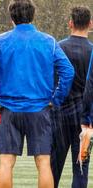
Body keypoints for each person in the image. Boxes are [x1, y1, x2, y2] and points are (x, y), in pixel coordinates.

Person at [0, 0, 75, 187]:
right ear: (33, 16)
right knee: (43, 162)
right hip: (39, 110)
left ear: (12, 18)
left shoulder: (0, 41)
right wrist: (56, 99)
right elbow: (68, 72)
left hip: (9, 111)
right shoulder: (49, 42)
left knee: (6, 161)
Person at [50, 6, 93, 188]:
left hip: (59, 115)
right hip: (85, 120)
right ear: (90, 24)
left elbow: (51, 82)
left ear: (70, 23)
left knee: (53, 168)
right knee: (81, 169)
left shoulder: (58, 48)